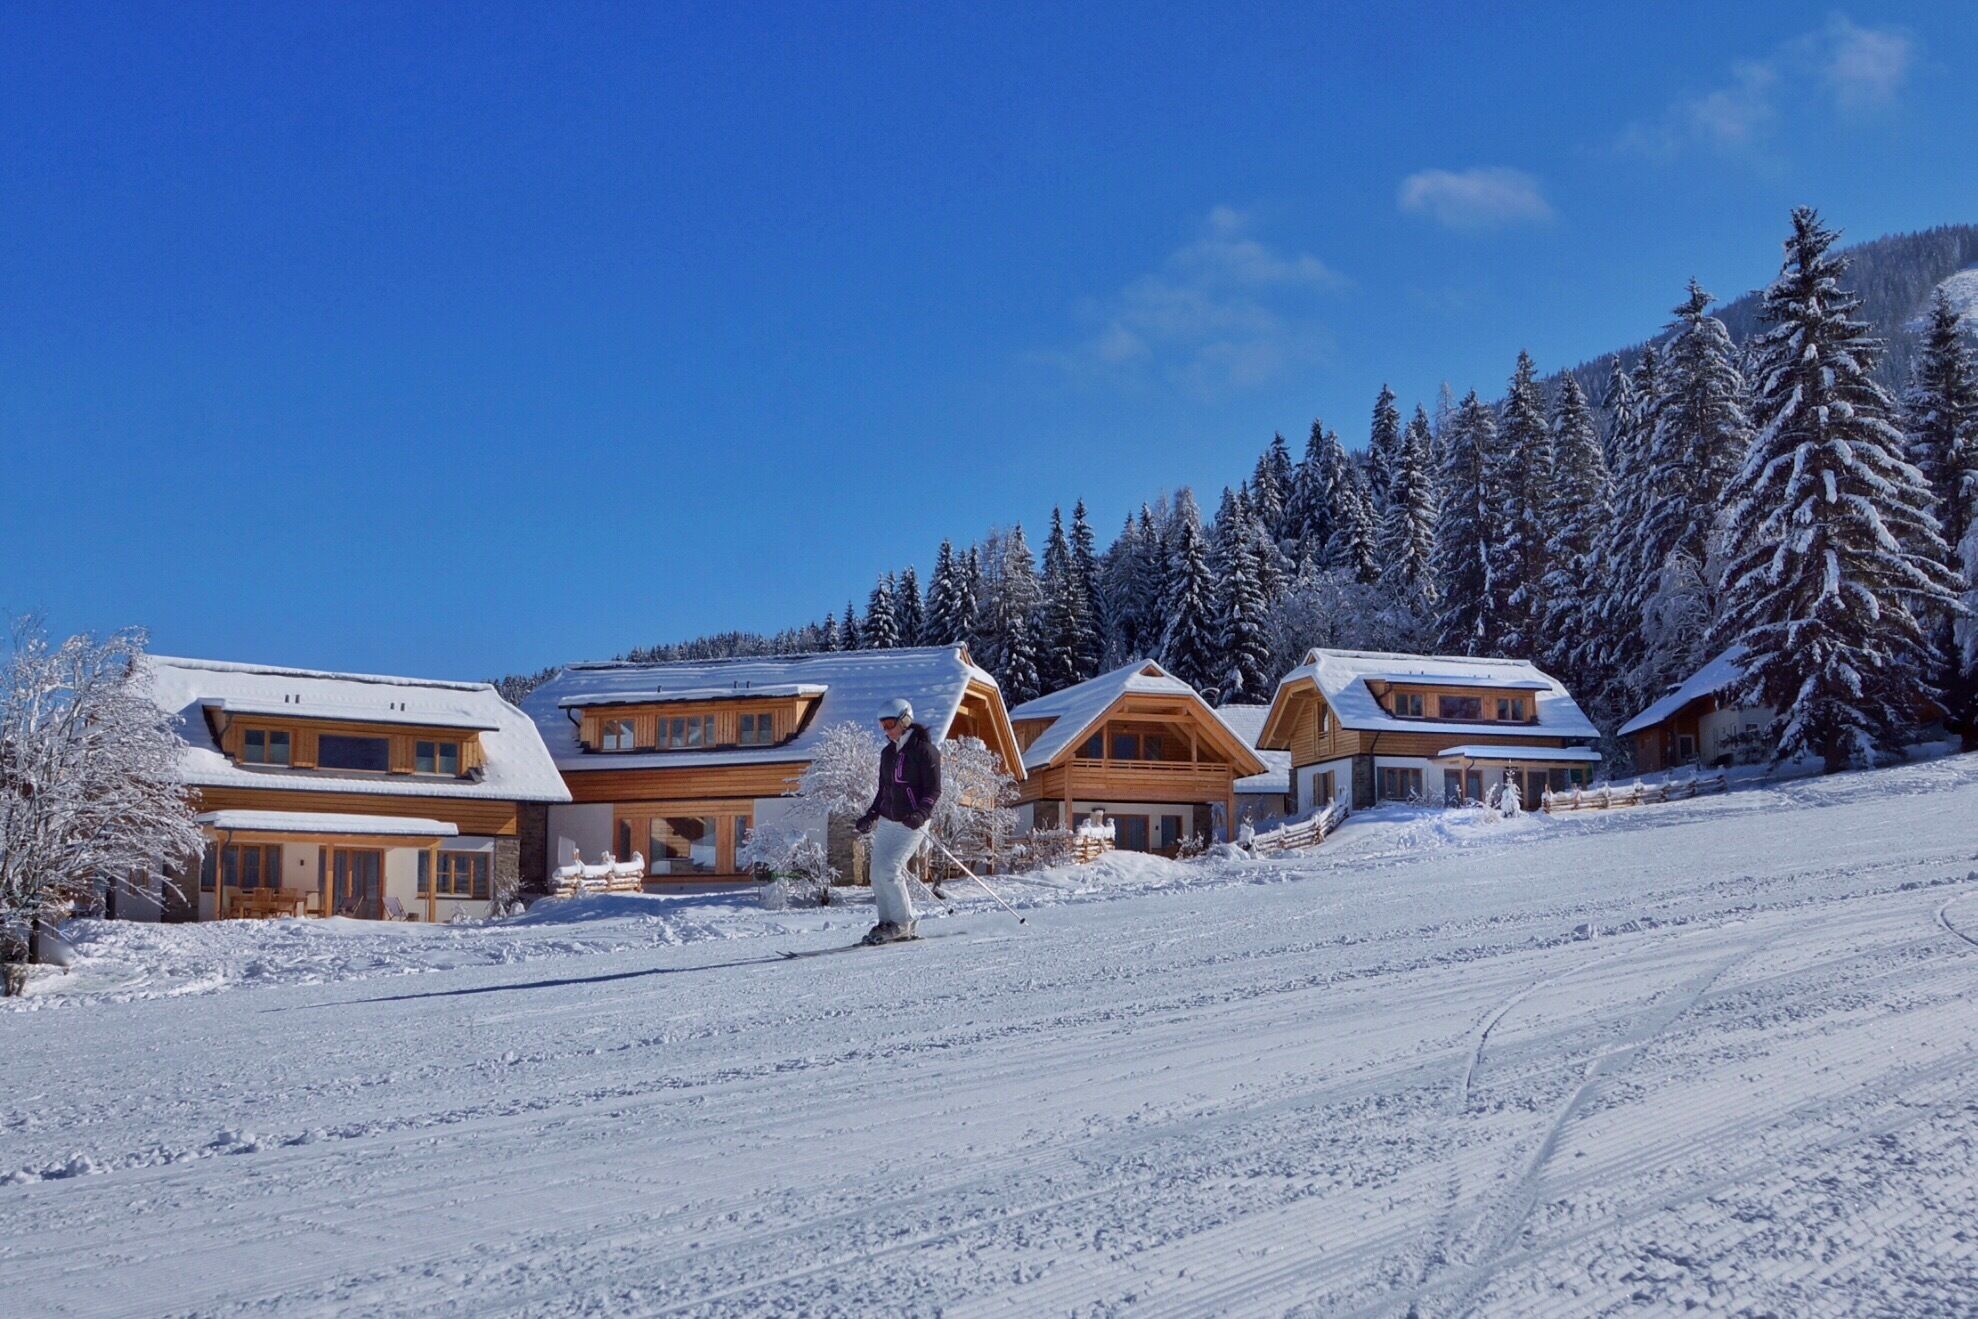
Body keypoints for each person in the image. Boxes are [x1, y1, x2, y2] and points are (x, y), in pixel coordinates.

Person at [853, 696, 941, 944]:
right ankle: (887, 923)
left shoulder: (925, 751)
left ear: (905, 720)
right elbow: (884, 790)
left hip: (912, 822)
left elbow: (934, 790)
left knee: (891, 869)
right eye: (882, 725)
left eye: (890, 723)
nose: (886, 730)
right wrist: (871, 815)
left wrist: (921, 814)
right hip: (888, 819)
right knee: (877, 872)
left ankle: (904, 922)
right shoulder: (887, 754)